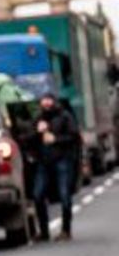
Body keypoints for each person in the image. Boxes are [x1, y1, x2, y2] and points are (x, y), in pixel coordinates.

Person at [29, 93, 80, 241]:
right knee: (38, 195)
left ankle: (66, 230)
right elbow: (27, 139)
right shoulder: (38, 118)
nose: (46, 103)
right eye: (43, 101)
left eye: (48, 100)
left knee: (64, 195)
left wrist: (56, 139)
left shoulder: (64, 116)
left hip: (62, 160)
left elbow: (74, 136)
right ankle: (44, 232)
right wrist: (37, 133)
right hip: (43, 162)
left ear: (54, 101)